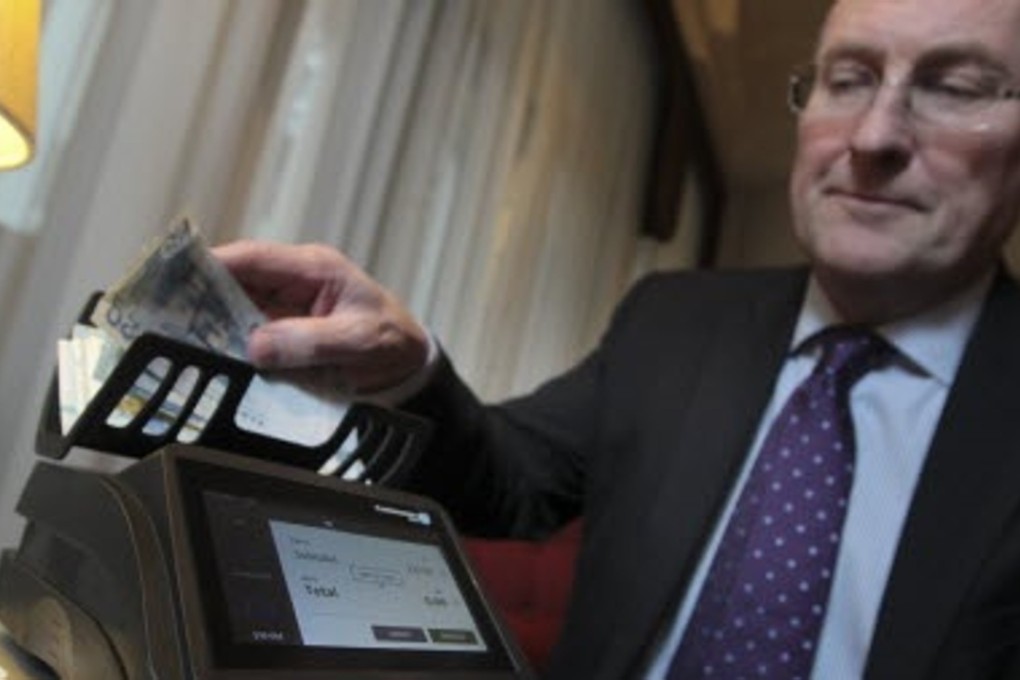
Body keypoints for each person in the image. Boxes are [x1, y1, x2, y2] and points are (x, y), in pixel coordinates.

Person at [213, 0, 1020, 677]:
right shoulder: (671, 320)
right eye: (848, 80)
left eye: (953, 88)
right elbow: (510, 482)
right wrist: (407, 367)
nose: (874, 135)